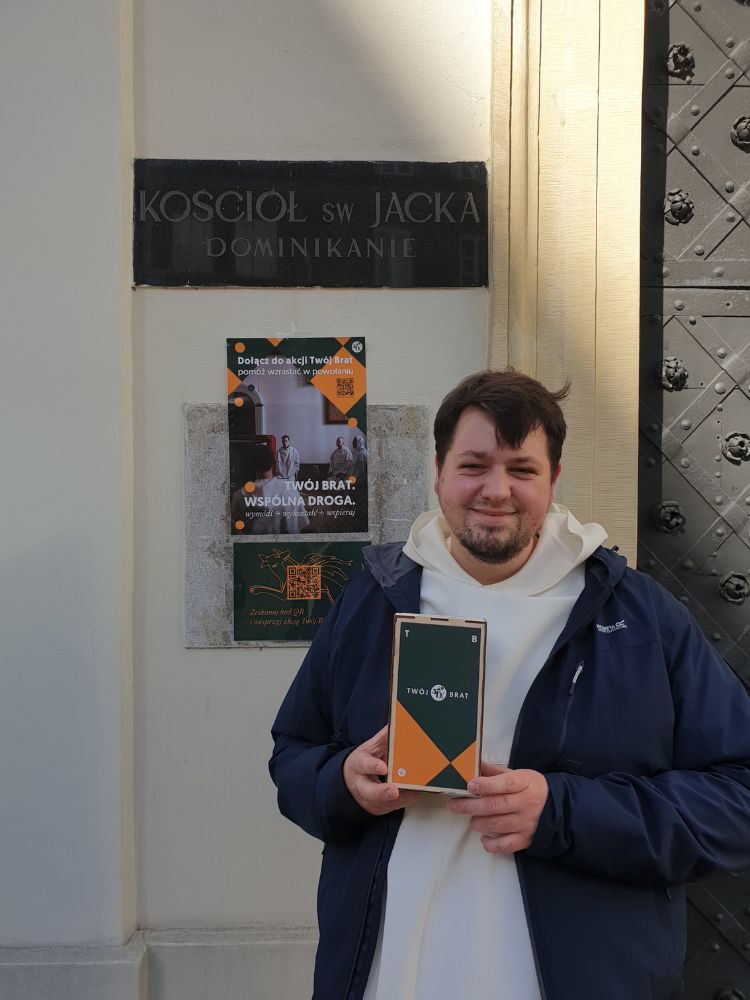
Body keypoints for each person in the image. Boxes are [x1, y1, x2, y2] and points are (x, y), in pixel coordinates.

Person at [269, 369, 750, 1000]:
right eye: (473, 465)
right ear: (438, 471)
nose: (496, 490)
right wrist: (343, 783)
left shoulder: (639, 619)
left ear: (553, 478)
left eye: (522, 469)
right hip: (393, 976)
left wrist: (561, 811)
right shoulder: (373, 600)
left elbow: (736, 798)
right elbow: (293, 755)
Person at [231, 447, 309, 534]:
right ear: (274, 464)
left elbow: (235, 527)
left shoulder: (239, 495)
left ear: (252, 466)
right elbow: (301, 524)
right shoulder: (290, 490)